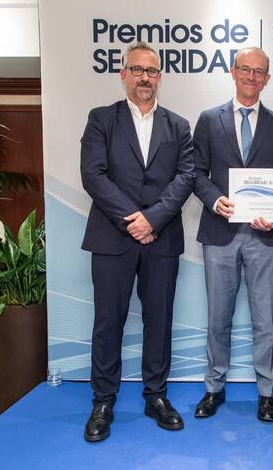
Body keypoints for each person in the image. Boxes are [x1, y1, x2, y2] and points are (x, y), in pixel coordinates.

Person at [80, 41, 195, 442]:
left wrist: (153, 219)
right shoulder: (101, 119)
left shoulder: (178, 125)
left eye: (152, 71)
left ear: (160, 76)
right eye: (137, 70)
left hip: (162, 239)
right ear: (123, 74)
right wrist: (134, 220)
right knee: (108, 321)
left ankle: (156, 396)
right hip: (113, 237)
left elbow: (186, 177)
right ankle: (103, 401)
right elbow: (93, 175)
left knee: (158, 320)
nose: (145, 78)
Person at [193, 47, 273, 422]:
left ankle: (267, 393)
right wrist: (214, 199)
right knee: (217, 318)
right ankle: (213, 388)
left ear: (267, 79)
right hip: (219, 231)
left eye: (259, 72)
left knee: (265, 320)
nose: (252, 76)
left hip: (264, 237)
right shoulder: (209, 119)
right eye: (246, 69)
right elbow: (195, 173)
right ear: (233, 72)